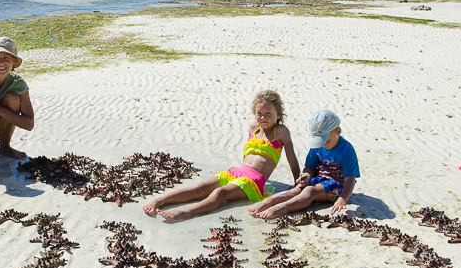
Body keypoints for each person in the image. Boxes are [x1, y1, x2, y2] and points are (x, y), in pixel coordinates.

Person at [142, 90, 300, 222]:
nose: (263, 117)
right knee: (199, 188)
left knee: (220, 193)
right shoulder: (254, 127)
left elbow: (291, 157)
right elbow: (250, 153)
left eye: (268, 114)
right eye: (259, 113)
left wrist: (297, 182)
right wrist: (240, 167)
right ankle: (160, 201)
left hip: (253, 181)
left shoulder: (281, 131)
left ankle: (186, 212)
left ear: (278, 114)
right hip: (238, 172)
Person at [248, 109, 359, 219]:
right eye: (320, 141)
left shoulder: (346, 151)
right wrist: (306, 176)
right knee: (296, 190)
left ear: (338, 131)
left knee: (309, 191)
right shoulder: (318, 146)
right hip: (319, 179)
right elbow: (310, 167)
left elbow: (350, 179)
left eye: (327, 141)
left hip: (338, 185)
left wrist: (343, 199)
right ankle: (267, 202)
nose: (323, 144)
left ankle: (282, 208)